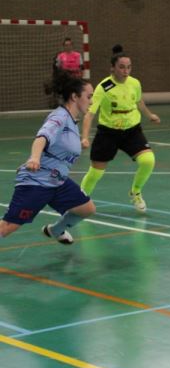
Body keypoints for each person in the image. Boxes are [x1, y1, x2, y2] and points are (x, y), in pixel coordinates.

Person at [0, 72, 96, 244]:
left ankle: (55, 230)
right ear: (75, 96)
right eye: (89, 96)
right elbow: (42, 137)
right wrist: (34, 158)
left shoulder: (71, 120)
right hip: (38, 182)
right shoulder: (59, 117)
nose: (92, 101)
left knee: (86, 208)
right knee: (7, 227)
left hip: (57, 182)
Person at [80, 45, 160, 212]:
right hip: (108, 133)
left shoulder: (135, 83)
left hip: (132, 131)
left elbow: (139, 102)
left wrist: (149, 115)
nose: (126, 71)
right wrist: (85, 137)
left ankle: (135, 192)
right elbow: (90, 113)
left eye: (129, 67)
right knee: (96, 172)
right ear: (113, 68)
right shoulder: (104, 87)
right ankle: (80, 199)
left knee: (148, 161)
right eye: (122, 67)